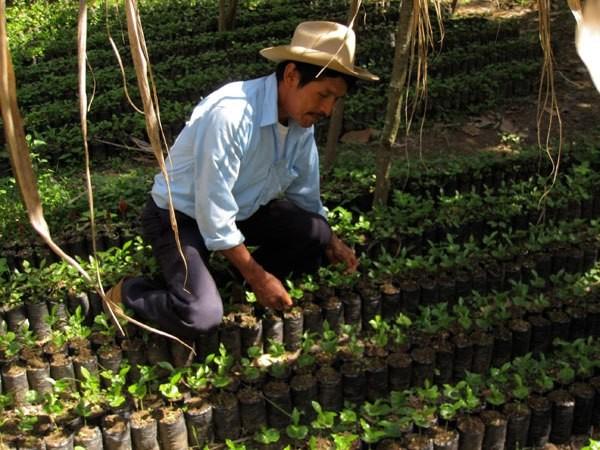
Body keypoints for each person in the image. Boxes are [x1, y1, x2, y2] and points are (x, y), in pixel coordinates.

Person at [106, 21, 379, 340]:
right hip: (181, 217)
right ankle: (129, 292)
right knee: (201, 315)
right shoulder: (232, 115)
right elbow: (214, 216)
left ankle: (233, 278)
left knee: (317, 232)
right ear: (291, 75)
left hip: (243, 211)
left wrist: (332, 242)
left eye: (336, 99)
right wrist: (260, 278)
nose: (328, 109)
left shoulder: (301, 124)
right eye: (324, 95)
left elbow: (305, 196)